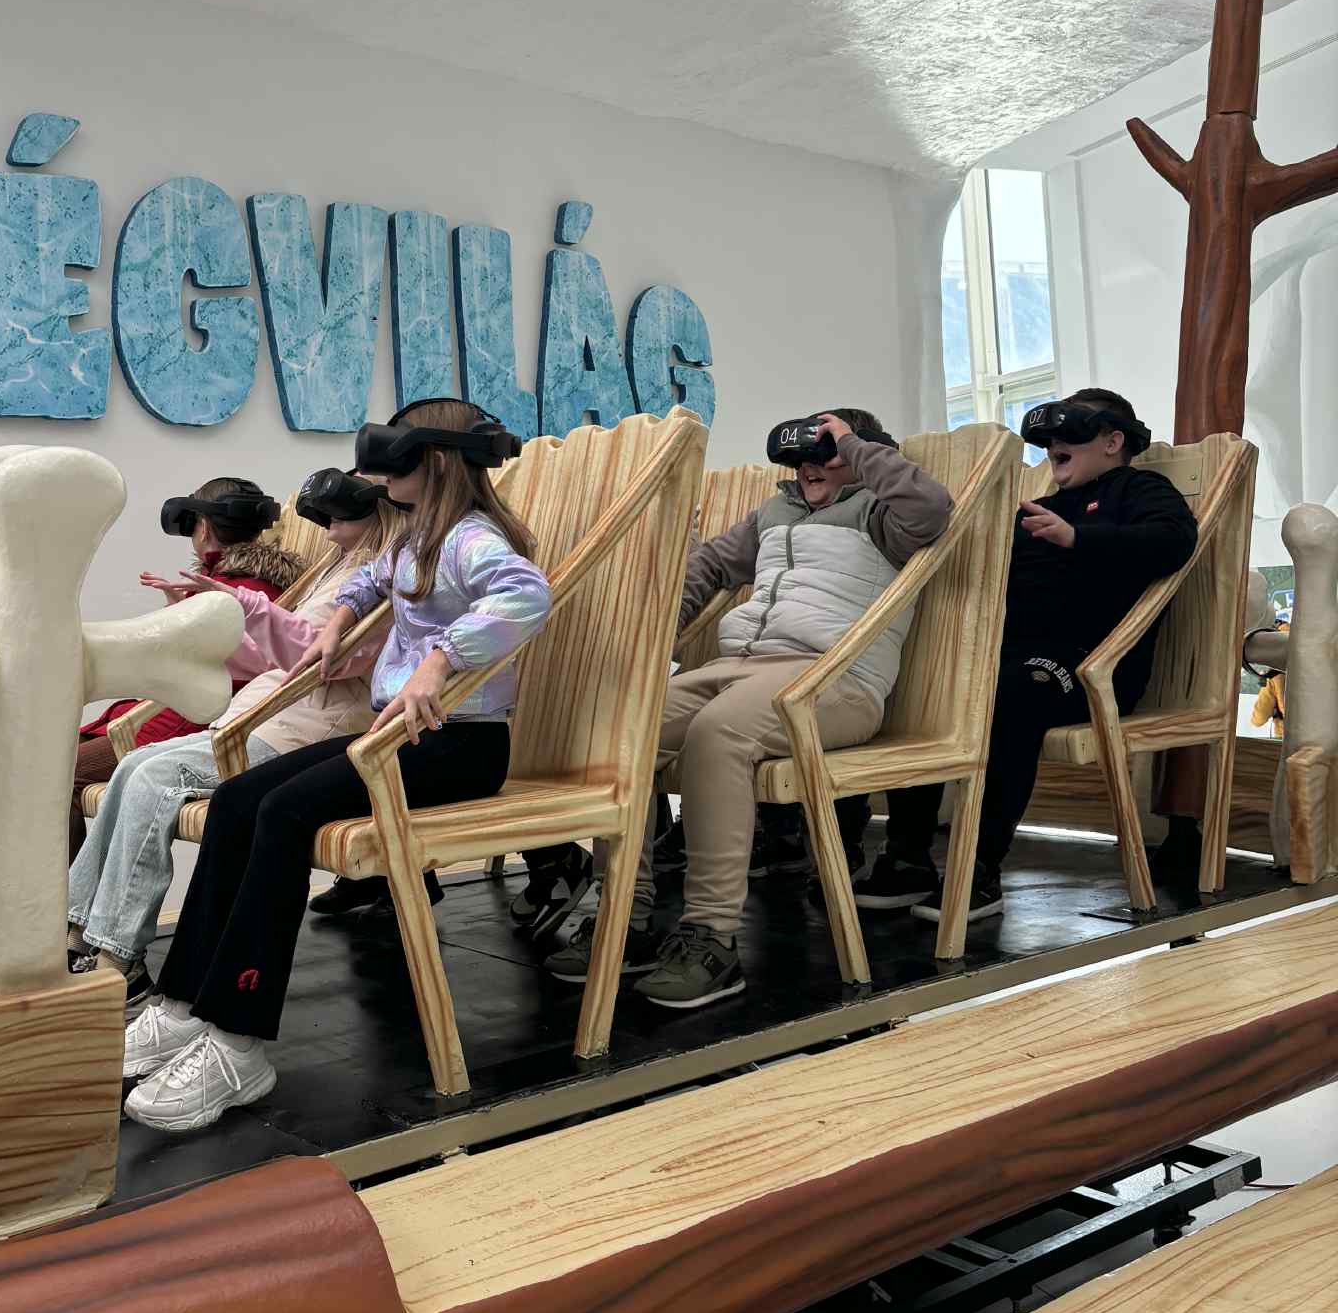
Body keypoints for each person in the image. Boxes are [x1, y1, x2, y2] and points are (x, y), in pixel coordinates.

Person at [121, 399, 551, 1133]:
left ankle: (239, 1039)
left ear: (433, 461)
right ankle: (185, 1000)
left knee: (285, 813)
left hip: (460, 744)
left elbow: (527, 593)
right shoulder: (417, 537)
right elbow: (364, 581)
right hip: (400, 737)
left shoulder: (470, 538)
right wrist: (343, 619)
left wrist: (441, 659)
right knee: (238, 799)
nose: (374, 473)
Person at [547, 408, 952, 1008]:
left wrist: (851, 444)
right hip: (741, 666)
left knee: (719, 733)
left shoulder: (882, 512)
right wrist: (661, 630)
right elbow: (710, 565)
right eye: (801, 456)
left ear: (860, 453)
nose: (809, 466)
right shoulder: (774, 512)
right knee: (623, 726)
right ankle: (623, 919)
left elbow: (932, 511)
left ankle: (711, 938)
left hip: (833, 679)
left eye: (824, 453)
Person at [853, 388, 1197, 925]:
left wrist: (1077, 538)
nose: (1055, 444)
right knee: (928, 688)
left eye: (1072, 432)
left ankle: (979, 868)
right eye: (1050, 437)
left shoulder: (1141, 490)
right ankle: (907, 857)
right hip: (1011, 653)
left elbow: (1174, 542)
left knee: (1011, 695)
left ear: (1113, 441)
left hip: (1088, 667)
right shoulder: (1039, 508)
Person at [63, 473, 405, 1013]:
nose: (328, 527)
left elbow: (321, 659)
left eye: (342, 515)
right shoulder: (337, 568)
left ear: (379, 514)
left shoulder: (379, 580)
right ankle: (79, 930)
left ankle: (120, 958)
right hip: (261, 719)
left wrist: (242, 604)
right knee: (135, 765)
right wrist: (200, 615)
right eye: (326, 516)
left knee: (153, 776)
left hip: (304, 732)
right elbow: (264, 657)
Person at [0, 474, 301, 975]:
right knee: (38, 763)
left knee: (54, 774)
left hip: (179, 722)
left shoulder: (240, 591)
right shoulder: (227, 586)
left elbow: (238, 666)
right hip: (158, 713)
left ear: (200, 526)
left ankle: (37, 931)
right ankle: (29, 926)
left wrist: (184, 621)